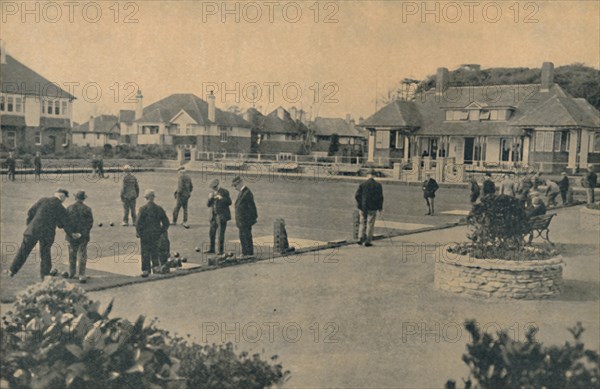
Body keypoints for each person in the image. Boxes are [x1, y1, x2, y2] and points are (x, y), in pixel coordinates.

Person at [7, 189, 80, 280]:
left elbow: (31, 212)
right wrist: (72, 233)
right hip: (47, 234)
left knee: (23, 250)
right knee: (45, 254)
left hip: (32, 230)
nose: (64, 200)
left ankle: (12, 270)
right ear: (62, 197)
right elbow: (64, 224)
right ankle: (45, 277)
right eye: (65, 198)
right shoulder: (60, 207)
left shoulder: (43, 200)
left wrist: (30, 225)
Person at [136, 189, 170, 277]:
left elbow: (138, 223)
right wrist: (161, 231)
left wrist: (139, 233)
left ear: (146, 198)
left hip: (145, 235)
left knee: (145, 252)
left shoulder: (142, 209)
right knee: (155, 251)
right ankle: (155, 267)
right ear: (153, 198)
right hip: (156, 234)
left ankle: (145, 270)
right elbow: (166, 222)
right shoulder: (159, 208)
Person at [65, 190, 94, 283]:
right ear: (84, 199)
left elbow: (66, 223)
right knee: (82, 254)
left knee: (72, 253)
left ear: (75, 198)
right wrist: (81, 234)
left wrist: (71, 233)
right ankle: (81, 274)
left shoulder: (69, 208)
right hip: (83, 236)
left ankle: (72, 273)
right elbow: (89, 224)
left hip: (71, 235)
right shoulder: (87, 209)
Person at [355, 169, 384, 246]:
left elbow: (357, 195)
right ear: (374, 175)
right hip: (373, 207)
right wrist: (380, 207)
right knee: (370, 223)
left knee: (362, 222)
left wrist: (359, 204)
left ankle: (360, 238)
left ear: (367, 175)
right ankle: (368, 240)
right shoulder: (378, 185)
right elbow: (380, 198)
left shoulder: (362, 184)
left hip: (363, 207)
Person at [232, 176, 258, 259]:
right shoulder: (242, 192)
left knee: (246, 237)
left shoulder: (247, 193)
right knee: (243, 237)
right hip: (241, 221)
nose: (235, 188)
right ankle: (245, 253)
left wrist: (250, 220)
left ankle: (249, 253)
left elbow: (252, 208)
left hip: (245, 221)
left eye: (235, 186)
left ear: (240, 184)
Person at [206, 178, 232, 256]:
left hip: (221, 216)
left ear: (217, 185)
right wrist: (210, 198)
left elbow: (229, 202)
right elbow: (208, 205)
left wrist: (221, 198)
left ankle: (220, 250)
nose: (214, 189)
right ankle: (212, 249)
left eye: (215, 187)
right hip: (213, 216)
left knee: (220, 234)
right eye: (212, 188)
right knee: (211, 233)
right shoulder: (212, 193)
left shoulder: (224, 192)